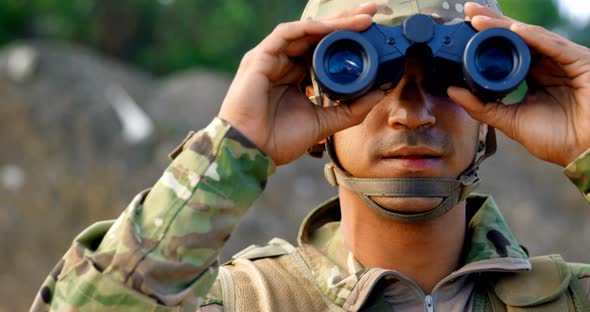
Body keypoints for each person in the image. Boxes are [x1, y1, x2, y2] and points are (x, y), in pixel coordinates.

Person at [31, 0, 590, 311]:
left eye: (450, 81)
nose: (412, 113)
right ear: (316, 97)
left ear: (492, 104)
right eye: (373, 79)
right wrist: (232, 150)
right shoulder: (241, 302)